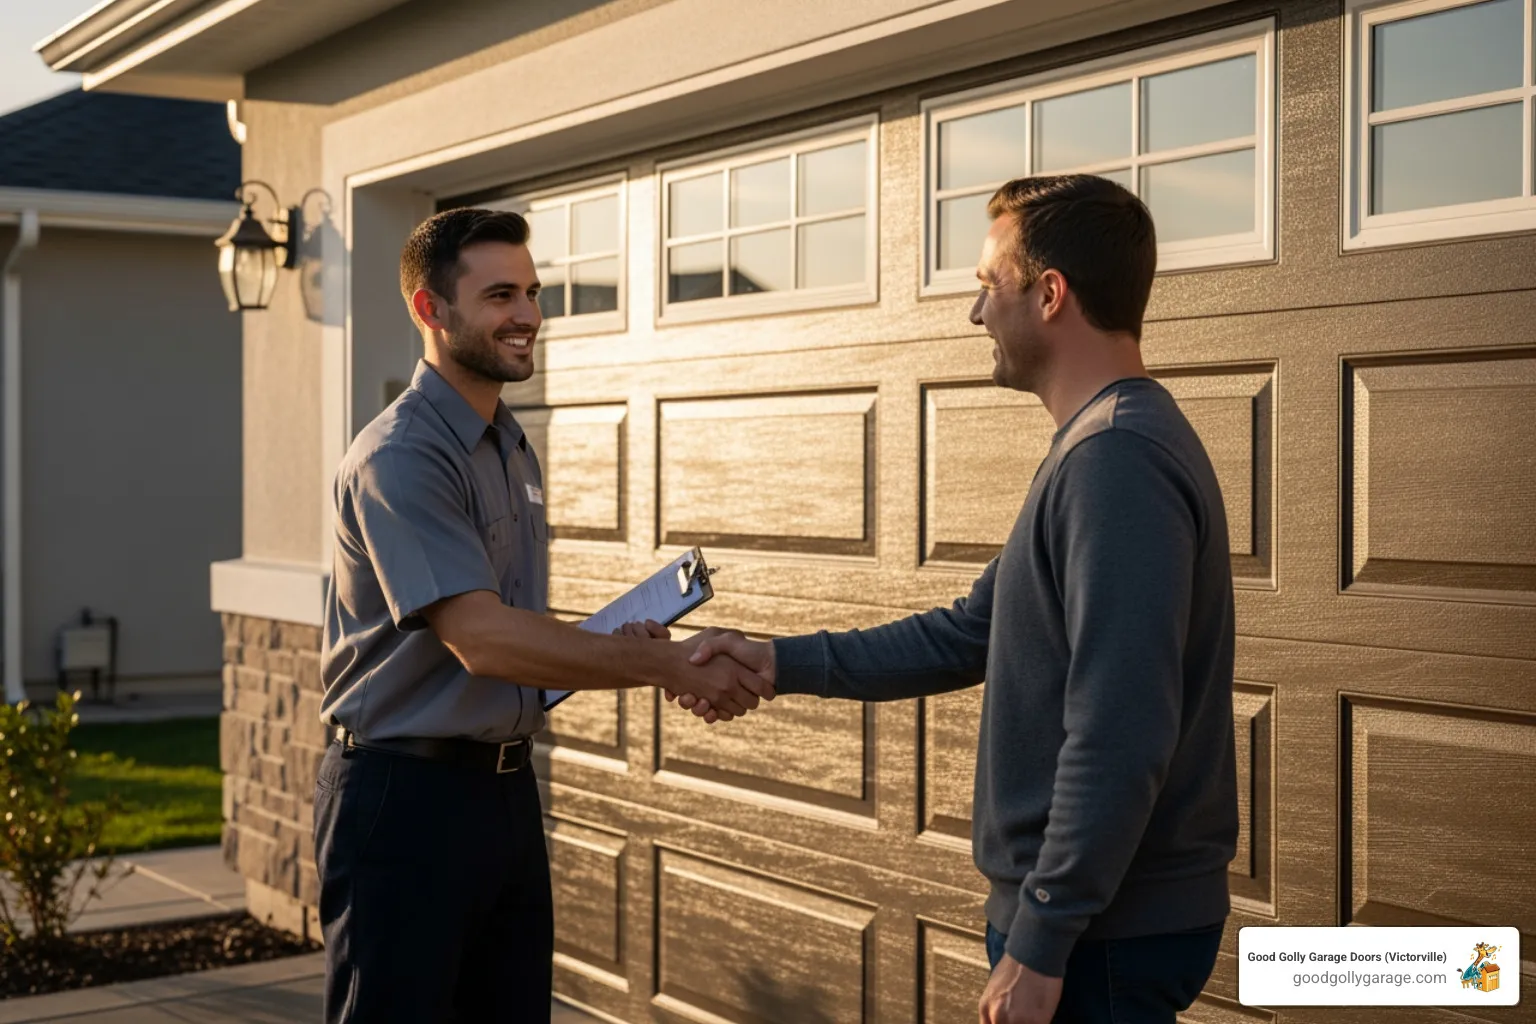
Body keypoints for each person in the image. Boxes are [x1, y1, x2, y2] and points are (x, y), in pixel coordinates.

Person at [659, 175, 1239, 1024]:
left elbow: (1121, 725)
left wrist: (1044, 935)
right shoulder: (1095, 448)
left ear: (1049, 295)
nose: (974, 313)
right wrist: (775, 661)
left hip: (1101, 936)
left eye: (987, 286)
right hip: (1094, 924)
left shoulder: (1117, 461)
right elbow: (969, 633)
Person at [314, 207, 772, 1024]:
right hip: (404, 803)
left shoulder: (508, 445)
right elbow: (482, 640)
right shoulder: (403, 455)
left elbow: (511, 632)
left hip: (503, 794)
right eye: (500, 295)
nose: (527, 314)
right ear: (429, 309)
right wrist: (665, 664)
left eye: (532, 292)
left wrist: (617, 645)